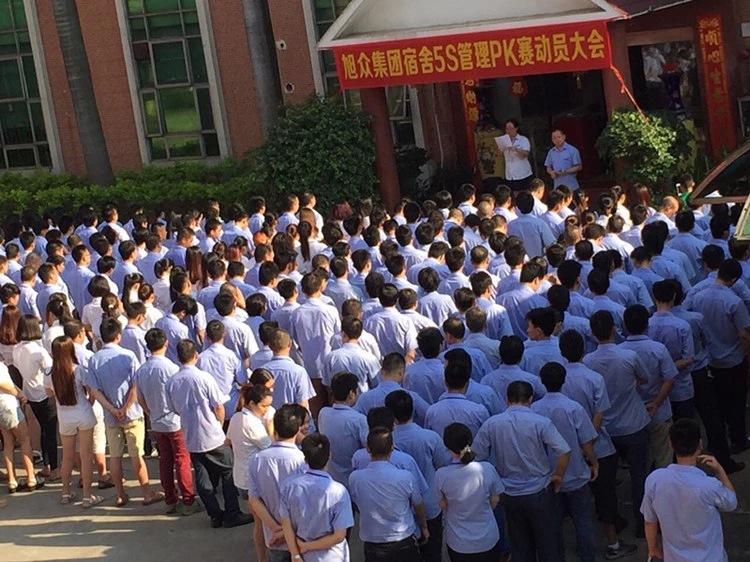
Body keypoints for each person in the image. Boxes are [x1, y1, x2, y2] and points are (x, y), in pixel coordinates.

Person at [473, 381, 571, 562]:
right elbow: (564, 450)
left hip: (509, 492)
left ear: (507, 399)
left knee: (519, 543)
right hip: (539, 490)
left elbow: (476, 455)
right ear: (530, 399)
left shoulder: (492, 424)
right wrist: (558, 475)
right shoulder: (541, 422)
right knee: (549, 542)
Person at [166, 338, 251, 528]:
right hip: (212, 434)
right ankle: (232, 512)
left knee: (202, 476)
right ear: (195, 355)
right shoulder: (204, 378)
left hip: (191, 435)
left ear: (178, 357)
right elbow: (218, 406)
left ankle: (214, 514)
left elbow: (173, 408)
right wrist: (219, 425)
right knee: (227, 471)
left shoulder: (172, 382)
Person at [584, 310, 650, 538]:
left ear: (593, 334)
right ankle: (642, 522)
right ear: (614, 329)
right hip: (633, 424)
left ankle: (613, 521)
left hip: (605, 429)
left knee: (607, 482)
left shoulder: (588, 362)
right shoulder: (628, 356)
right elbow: (645, 378)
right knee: (639, 475)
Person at [87, 318, 163, 507]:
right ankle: (146, 493)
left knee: (115, 456)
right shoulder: (128, 356)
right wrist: (126, 407)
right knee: (136, 454)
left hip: (110, 415)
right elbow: (135, 385)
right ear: (118, 336)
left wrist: (112, 409)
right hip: (132, 413)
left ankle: (120, 494)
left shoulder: (94, 359)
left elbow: (94, 390)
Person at [641, 419, 737, 562]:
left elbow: (649, 520)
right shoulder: (708, 485)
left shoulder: (654, 480)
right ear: (700, 445)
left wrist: (652, 547)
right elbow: (731, 503)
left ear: (671, 445)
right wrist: (720, 471)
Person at [531, 362, 598, 562]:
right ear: (564, 381)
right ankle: (587, 558)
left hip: (548, 476)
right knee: (583, 521)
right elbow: (586, 441)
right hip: (576, 473)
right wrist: (594, 462)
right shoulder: (573, 408)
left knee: (553, 524)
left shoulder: (534, 409)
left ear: (542, 381)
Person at [136, 328, 201, 516]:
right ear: (166, 343)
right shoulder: (171, 368)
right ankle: (187, 499)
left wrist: (151, 412)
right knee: (182, 459)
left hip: (156, 421)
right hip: (174, 421)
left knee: (165, 460)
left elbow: (140, 398)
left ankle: (170, 499)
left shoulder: (142, 370)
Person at [691, 259, 750, 455]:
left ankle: (719, 439)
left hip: (709, 359)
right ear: (733, 279)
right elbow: (743, 334)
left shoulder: (698, 297)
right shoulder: (734, 302)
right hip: (733, 358)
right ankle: (738, 439)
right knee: (737, 402)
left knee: (717, 403)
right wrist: (747, 353)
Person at [349, 426, 429, 562]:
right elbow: (418, 504)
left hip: (373, 545)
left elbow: (356, 503)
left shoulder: (355, 478)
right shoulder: (405, 477)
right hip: (403, 541)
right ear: (392, 448)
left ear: (368, 449)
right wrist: (424, 527)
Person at [435, 422, 506, 562]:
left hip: (458, 542)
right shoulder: (487, 469)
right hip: (487, 538)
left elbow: (442, 505)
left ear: (447, 447)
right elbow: (495, 499)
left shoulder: (441, 475)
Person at [279, 433, 354, 562]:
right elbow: (339, 536)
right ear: (329, 456)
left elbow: (286, 524)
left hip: (302, 555)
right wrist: (307, 546)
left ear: (305, 459)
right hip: (332, 556)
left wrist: (295, 554)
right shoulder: (339, 492)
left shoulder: (288, 487)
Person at [46, 336, 102, 507]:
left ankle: (65, 493)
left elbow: (48, 393)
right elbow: (91, 391)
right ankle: (87, 496)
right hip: (83, 413)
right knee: (86, 456)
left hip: (65, 417)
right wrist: (89, 403)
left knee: (67, 456)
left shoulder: (49, 373)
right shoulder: (78, 370)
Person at [247, 405, 308, 560]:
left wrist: (276, 529)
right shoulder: (303, 461)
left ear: (275, 430)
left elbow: (254, 499)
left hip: (273, 537)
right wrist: (286, 532)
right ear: (297, 430)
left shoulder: (257, 459)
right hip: (301, 537)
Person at [226, 383, 274, 562]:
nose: (266, 410)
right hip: (253, 481)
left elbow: (228, 441)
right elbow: (270, 448)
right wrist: (270, 429)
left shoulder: (237, 417)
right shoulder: (252, 423)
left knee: (259, 522)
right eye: (264, 406)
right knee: (261, 524)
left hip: (241, 477)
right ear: (252, 403)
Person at [13, 315, 57, 481]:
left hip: (29, 393)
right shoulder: (39, 351)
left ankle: (46, 466)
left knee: (43, 429)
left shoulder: (17, 349)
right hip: (44, 392)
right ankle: (54, 468)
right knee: (50, 432)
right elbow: (50, 371)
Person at [318, 371, 368, 488]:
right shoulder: (359, 419)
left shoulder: (323, 413)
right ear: (351, 393)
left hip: (329, 478)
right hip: (352, 480)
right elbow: (368, 449)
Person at [0, 359, 39, 493]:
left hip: (2, 409)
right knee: (25, 440)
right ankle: (31, 477)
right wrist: (19, 394)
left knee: (8, 443)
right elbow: (4, 383)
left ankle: (12, 480)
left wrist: (18, 390)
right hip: (8, 405)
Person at [495, 118, 533, 191]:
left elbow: (526, 154)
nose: (509, 131)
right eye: (507, 129)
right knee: (514, 192)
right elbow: (498, 155)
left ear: (516, 128)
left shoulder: (523, 140)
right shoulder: (503, 140)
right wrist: (500, 150)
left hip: (522, 172)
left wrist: (516, 149)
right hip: (510, 173)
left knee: (525, 192)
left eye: (511, 129)